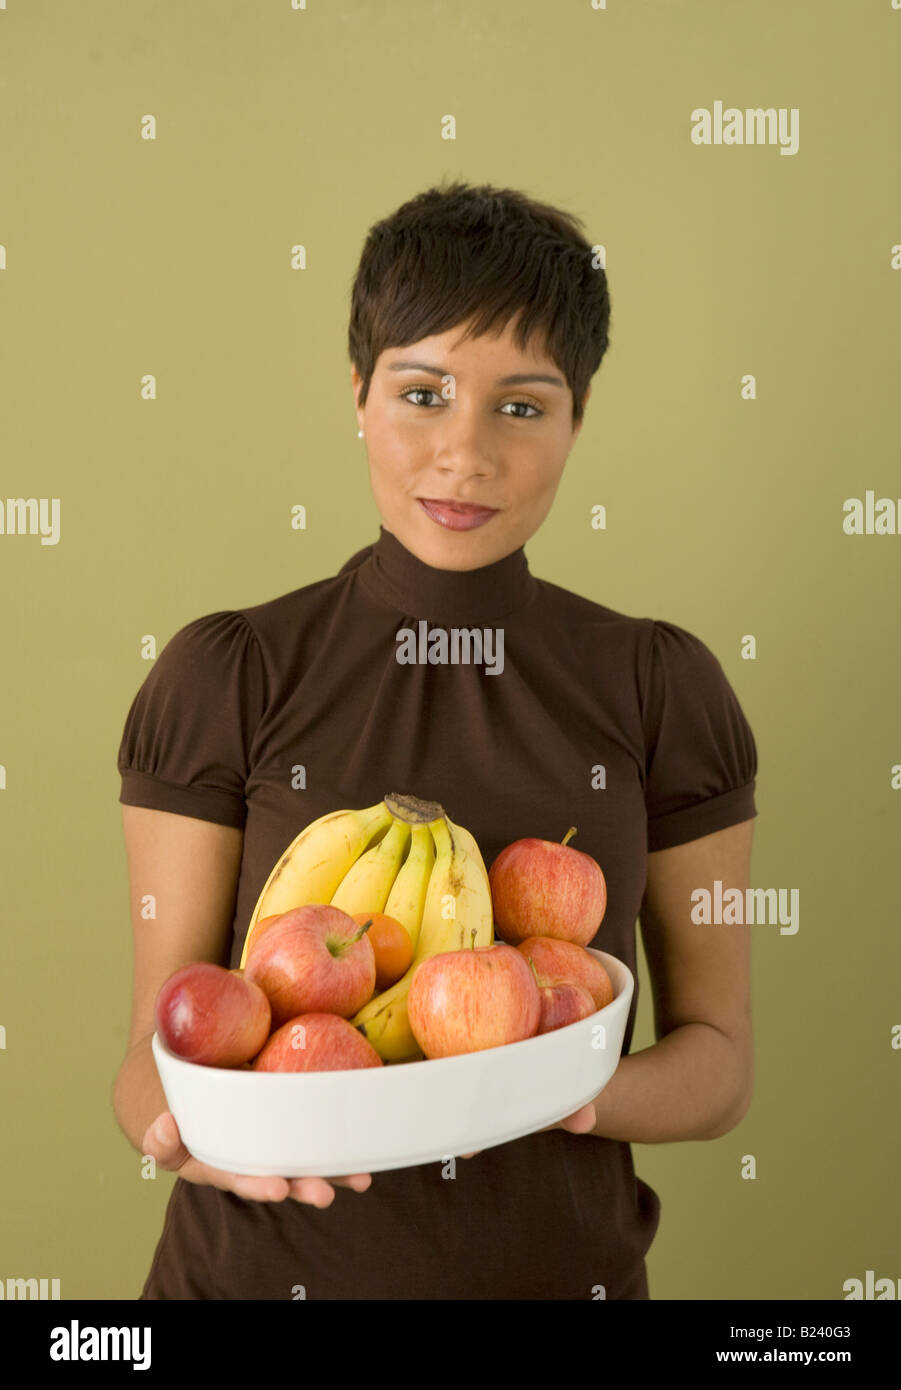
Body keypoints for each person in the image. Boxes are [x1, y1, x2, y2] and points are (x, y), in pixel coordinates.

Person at [112, 179, 757, 1300]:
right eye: (423, 393)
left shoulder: (659, 684)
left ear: (576, 419)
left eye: (521, 406)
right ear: (358, 393)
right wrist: (185, 1140)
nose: (465, 455)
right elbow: (152, 1054)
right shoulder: (229, 673)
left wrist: (553, 1090)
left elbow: (718, 1060)